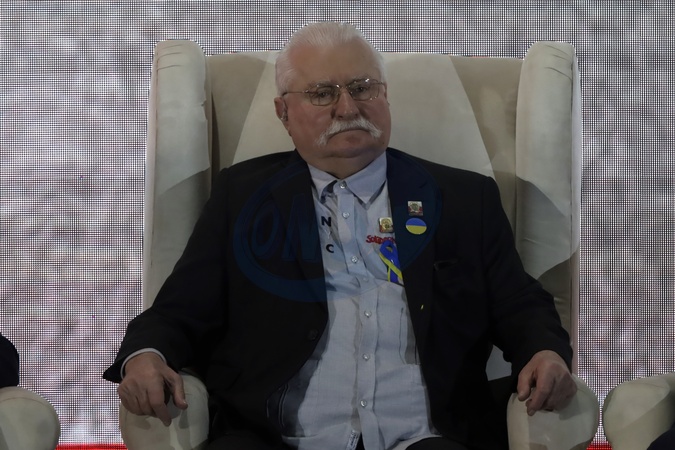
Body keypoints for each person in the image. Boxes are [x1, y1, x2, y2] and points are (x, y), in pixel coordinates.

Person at [104, 21, 576, 450]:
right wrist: (146, 356)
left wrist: (544, 351)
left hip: (425, 437)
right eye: (322, 93)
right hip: (272, 438)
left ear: (385, 96)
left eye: (362, 87)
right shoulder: (243, 197)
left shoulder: (461, 198)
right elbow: (180, 309)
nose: (348, 108)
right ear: (283, 112)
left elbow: (518, 304)